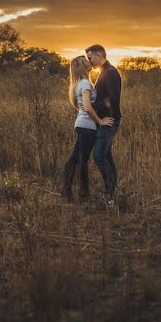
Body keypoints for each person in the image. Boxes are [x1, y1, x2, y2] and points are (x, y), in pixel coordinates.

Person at [62, 55, 114, 202]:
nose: (89, 62)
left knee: (75, 158)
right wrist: (100, 121)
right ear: (82, 66)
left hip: (82, 125)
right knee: (82, 160)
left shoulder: (80, 83)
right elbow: (88, 107)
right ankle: (83, 194)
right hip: (87, 126)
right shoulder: (85, 84)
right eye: (86, 61)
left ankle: (67, 191)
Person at [85, 44, 122, 207]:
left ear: (99, 55)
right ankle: (112, 193)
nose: (89, 61)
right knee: (106, 156)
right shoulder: (104, 72)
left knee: (99, 156)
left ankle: (110, 196)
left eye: (90, 58)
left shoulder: (111, 73)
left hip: (109, 120)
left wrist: (94, 108)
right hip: (105, 120)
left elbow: (113, 99)